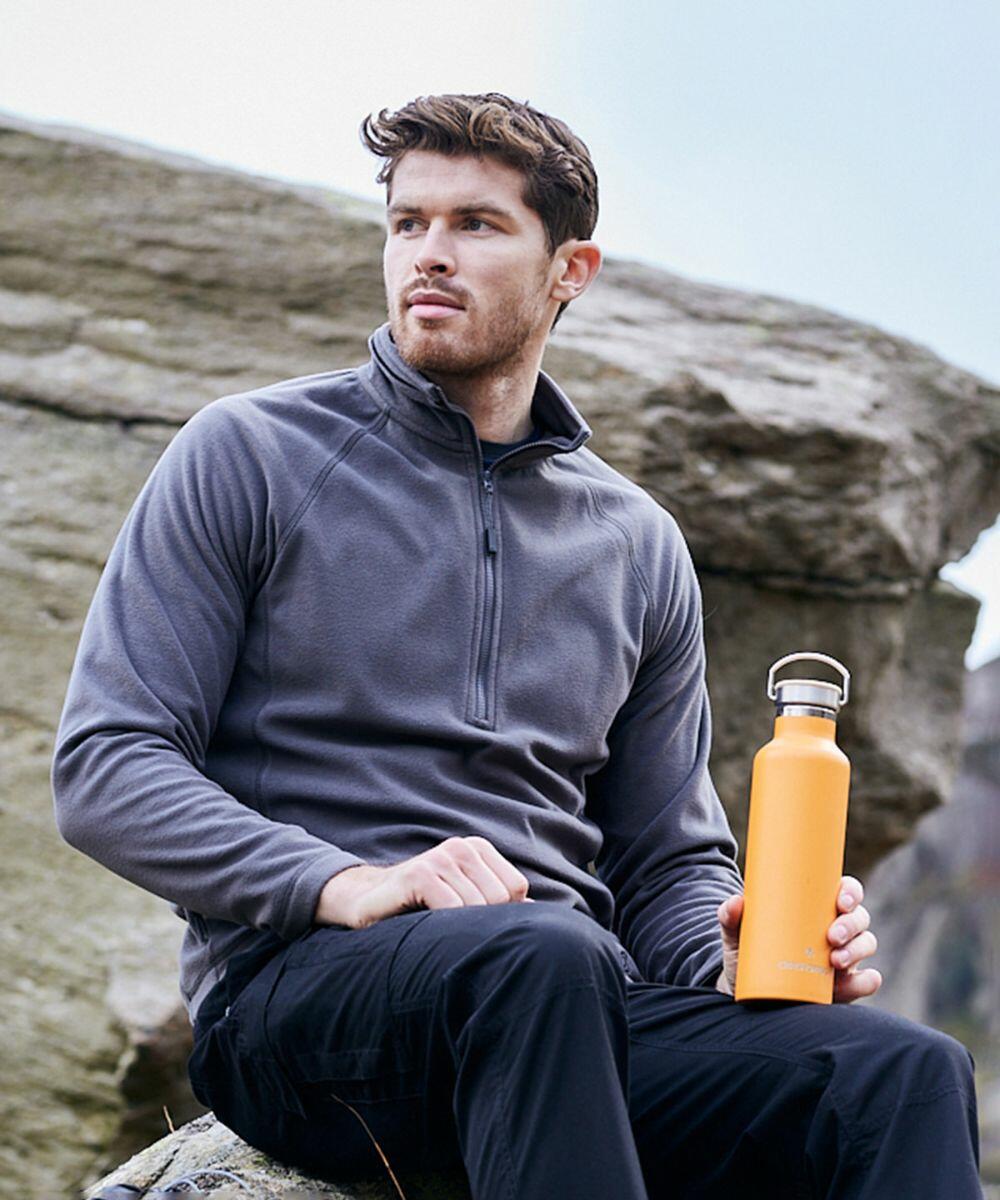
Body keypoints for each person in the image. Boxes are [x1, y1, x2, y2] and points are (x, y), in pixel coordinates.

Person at [52, 93, 980, 1199]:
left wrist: (732, 957)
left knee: (899, 1072)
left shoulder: (634, 543)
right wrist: (346, 880)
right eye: (408, 224)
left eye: (475, 226)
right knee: (541, 954)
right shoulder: (249, 454)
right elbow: (106, 766)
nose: (429, 256)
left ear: (569, 271)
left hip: (576, 1008)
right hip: (303, 1007)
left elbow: (665, 860)